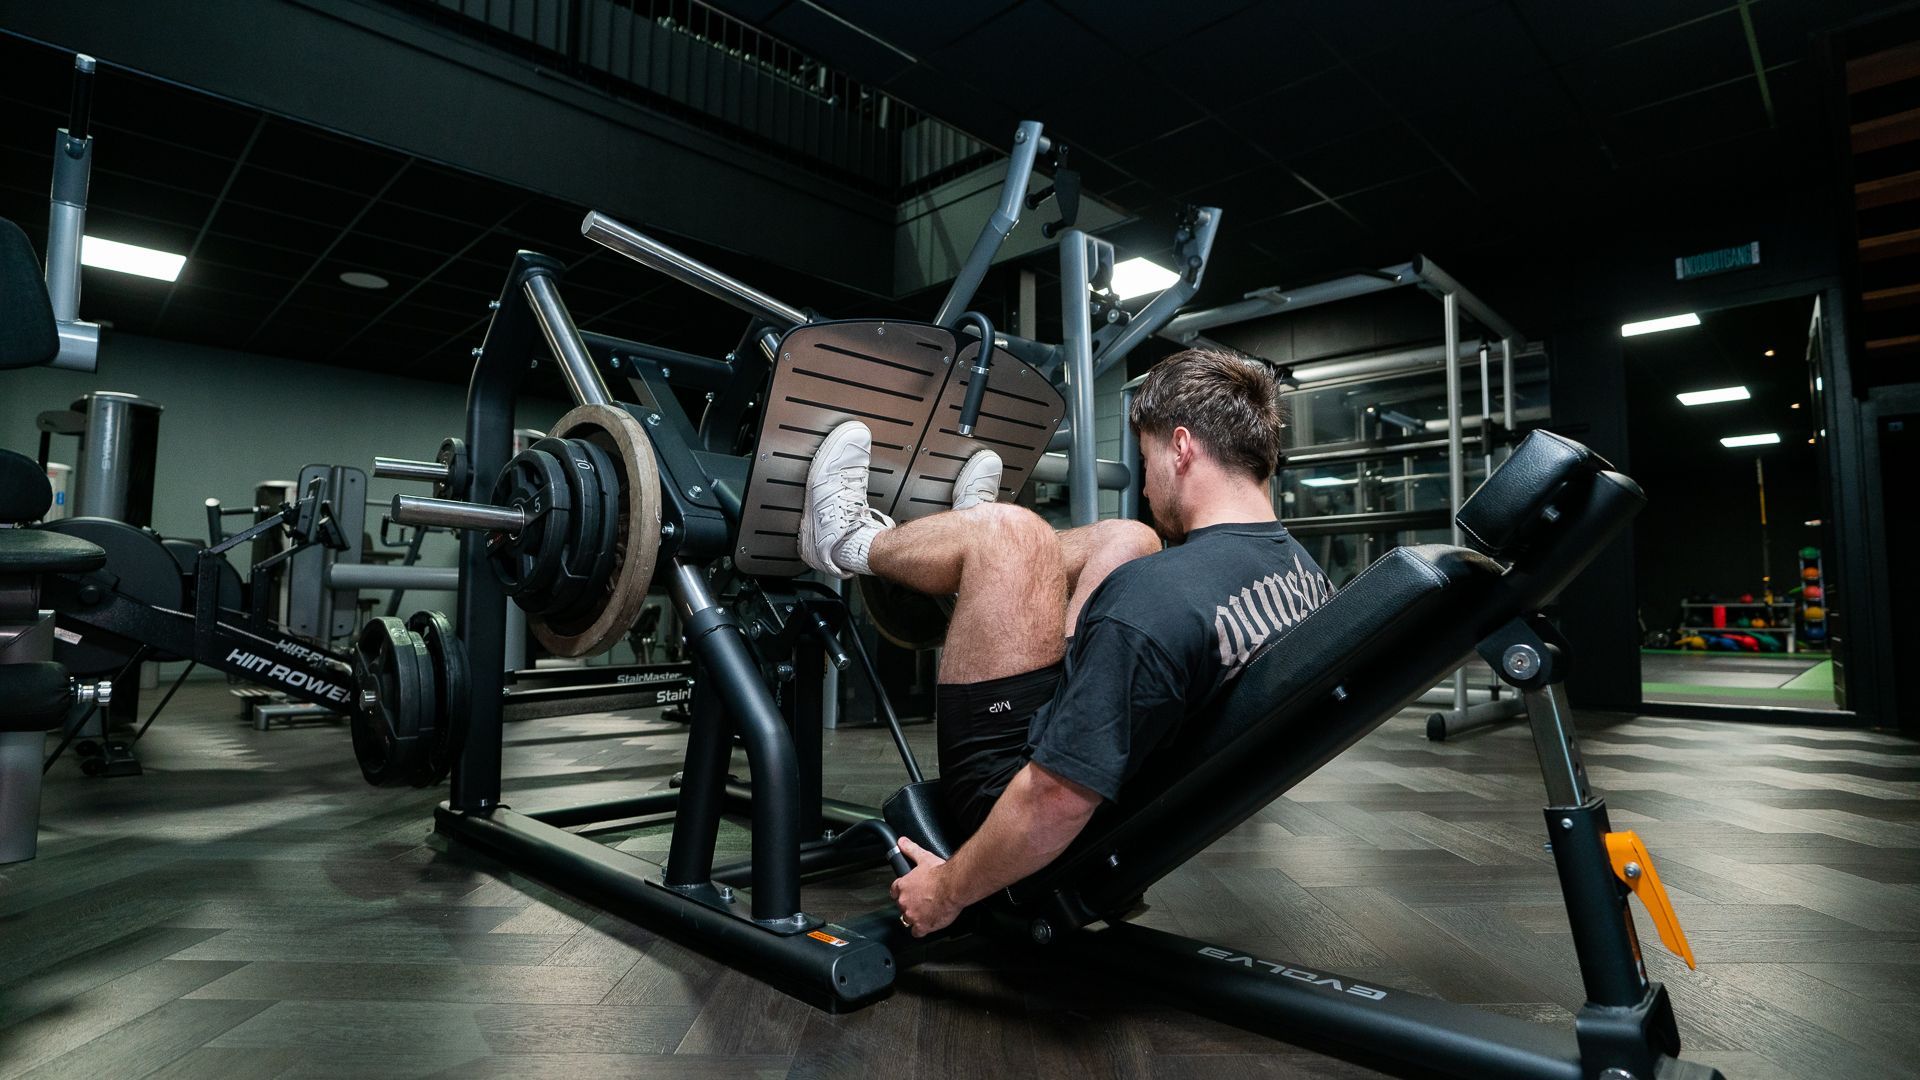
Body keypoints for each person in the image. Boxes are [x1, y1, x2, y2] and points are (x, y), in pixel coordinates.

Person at [798, 348, 1334, 936]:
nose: (1148, 482)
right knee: (1128, 537)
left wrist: (946, 891)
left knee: (1012, 531)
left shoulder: (1157, 602)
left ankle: (848, 543)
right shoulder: (1303, 576)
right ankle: (967, 553)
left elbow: (1053, 798)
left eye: (1148, 455)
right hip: (1126, 773)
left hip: (1018, 801)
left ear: (1181, 448)